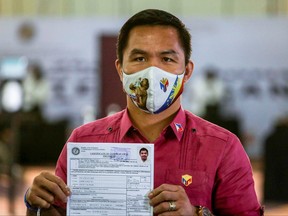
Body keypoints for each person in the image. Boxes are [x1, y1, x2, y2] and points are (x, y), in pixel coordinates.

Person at [25, 9, 264, 216]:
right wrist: (38, 205)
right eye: (139, 58)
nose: (153, 70)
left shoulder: (222, 148)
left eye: (167, 58)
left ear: (187, 71)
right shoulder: (84, 141)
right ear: (120, 69)